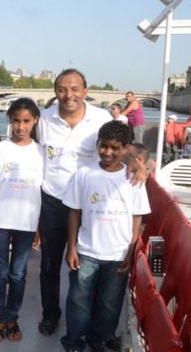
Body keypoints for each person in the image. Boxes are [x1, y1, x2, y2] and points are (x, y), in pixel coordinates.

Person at [0, 68, 147, 336]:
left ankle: (88, 322)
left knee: (84, 267)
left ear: (85, 92)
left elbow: (121, 145)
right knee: (49, 266)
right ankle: (51, 315)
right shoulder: (44, 120)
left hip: (92, 204)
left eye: (74, 89)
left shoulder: (101, 118)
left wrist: (136, 163)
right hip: (53, 202)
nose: (68, 95)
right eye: (62, 89)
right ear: (55, 92)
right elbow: (20, 139)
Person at [60, 120, 150, 352]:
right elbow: (74, 212)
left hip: (118, 253)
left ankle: (98, 339)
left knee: (110, 303)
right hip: (86, 251)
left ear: (126, 148)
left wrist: (131, 252)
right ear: (98, 144)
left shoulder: (134, 179)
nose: (108, 152)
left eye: (115, 148)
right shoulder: (84, 174)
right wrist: (71, 248)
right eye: (104, 146)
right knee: (78, 300)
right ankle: (74, 341)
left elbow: (137, 218)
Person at [0, 98, 45, 343]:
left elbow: (40, 191)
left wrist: (38, 225)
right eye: (16, 120)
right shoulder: (0, 149)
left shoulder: (41, 152)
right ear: (10, 120)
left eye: (26, 121)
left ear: (35, 121)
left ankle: (12, 317)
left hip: (27, 222)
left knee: (18, 274)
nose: (21, 126)